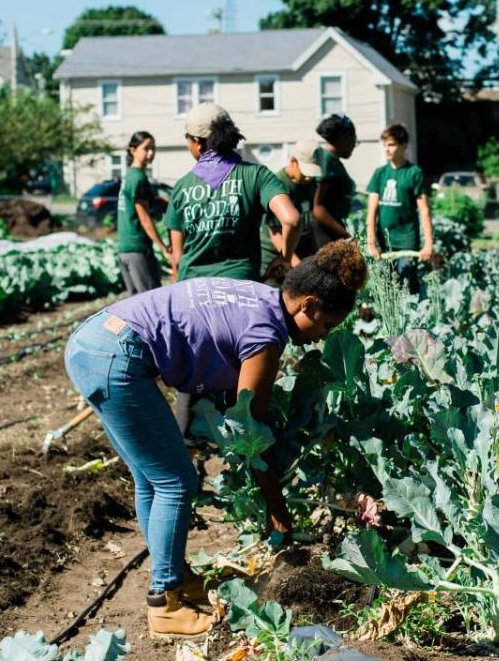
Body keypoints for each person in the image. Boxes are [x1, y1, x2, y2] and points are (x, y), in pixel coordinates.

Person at [64, 241, 368, 639]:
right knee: (176, 481)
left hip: (96, 339)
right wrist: (277, 508)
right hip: (117, 358)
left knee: (151, 478)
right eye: (326, 326)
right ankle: (164, 602)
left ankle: (174, 576)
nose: (320, 339)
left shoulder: (261, 297)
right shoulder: (265, 335)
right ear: (308, 305)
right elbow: (251, 432)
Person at [164, 103, 301, 282]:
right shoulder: (257, 175)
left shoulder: (181, 186)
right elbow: (291, 219)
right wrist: (285, 258)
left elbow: (178, 255)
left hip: (192, 287)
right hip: (240, 285)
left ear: (197, 143)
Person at [366, 123, 433, 294]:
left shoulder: (414, 173)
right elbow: (372, 211)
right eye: (385, 145)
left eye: (391, 144)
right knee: (384, 288)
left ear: (404, 146)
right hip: (383, 243)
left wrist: (428, 244)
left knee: (407, 286)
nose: (387, 149)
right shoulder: (379, 173)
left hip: (406, 242)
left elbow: (424, 211)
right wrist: (372, 243)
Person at [259, 139, 323, 285]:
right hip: (276, 258)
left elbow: (309, 221)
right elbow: (275, 232)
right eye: (306, 172)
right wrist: (296, 265)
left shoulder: (310, 182)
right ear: (293, 161)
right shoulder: (278, 185)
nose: (309, 177)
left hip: (300, 255)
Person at [117, 131, 172, 295]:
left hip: (125, 249)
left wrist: (158, 202)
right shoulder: (138, 177)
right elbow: (144, 218)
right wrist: (163, 248)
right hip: (138, 250)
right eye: (146, 148)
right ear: (133, 150)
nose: (151, 152)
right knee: (151, 301)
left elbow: (137, 205)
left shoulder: (130, 175)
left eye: (153, 148)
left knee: (136, 307)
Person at [312, 114, 357, 247]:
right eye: (355, 139)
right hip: (324, 236)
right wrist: (347, 236)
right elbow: (318, 209)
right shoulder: (327, 161)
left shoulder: (334, 161)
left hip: (332, 233)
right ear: (346, 137)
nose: (354, 144)